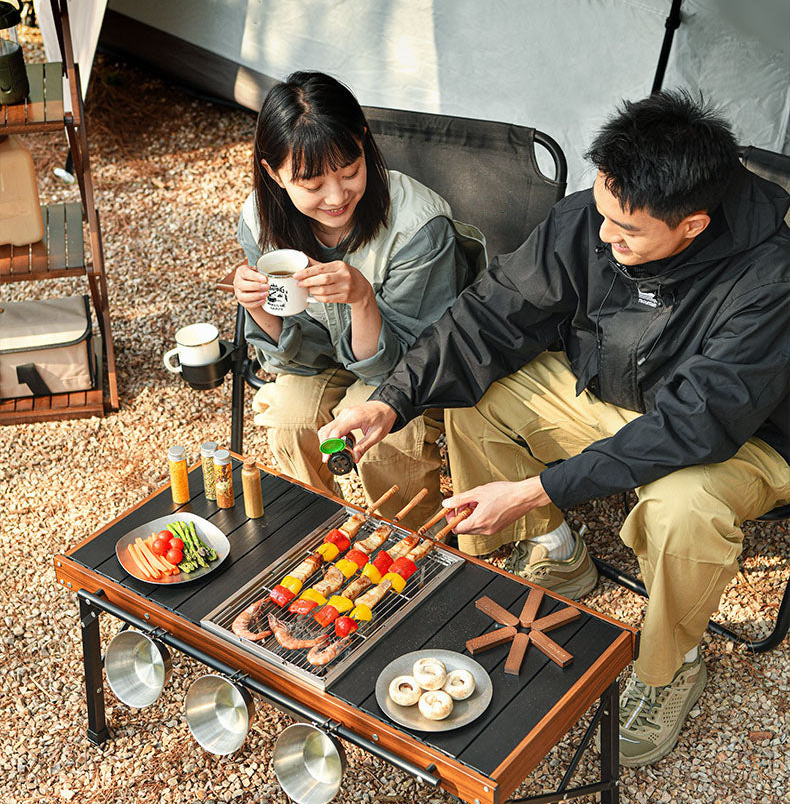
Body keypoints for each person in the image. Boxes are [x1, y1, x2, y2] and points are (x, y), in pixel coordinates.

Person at [319, 91, 790, 766]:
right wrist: (392, 400)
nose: (604, 237)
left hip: (745, 438)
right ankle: (557, 553)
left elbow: (697, 425)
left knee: (681, 505)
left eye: (626, 232)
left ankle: (672, 663)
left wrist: (539, 485)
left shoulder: (770, 279)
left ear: (692, 225)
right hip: (625, 395)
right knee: (480, 398)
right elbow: (488, 317)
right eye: (602, 215)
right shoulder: (598, 216)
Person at [232, 70, 484, 529]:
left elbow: (408, 370)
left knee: (382, 435)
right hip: (317, 359)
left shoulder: (418, 228)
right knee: (288, 416)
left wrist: (364, 300)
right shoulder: (258, 219)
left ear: (363, 142)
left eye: (349, 172)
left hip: (402, 367)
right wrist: (256, 308)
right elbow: (292, 362)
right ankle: (314, 533)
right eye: (311, 185)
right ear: (273, 172)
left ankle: (411, 538)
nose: (336, 196)